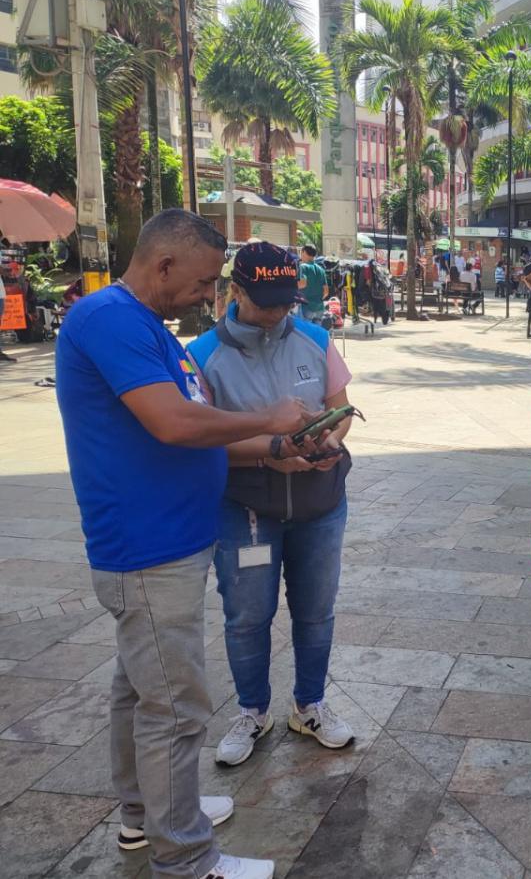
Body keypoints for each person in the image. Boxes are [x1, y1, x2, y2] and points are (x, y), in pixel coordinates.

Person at [55, 210, 309, 879]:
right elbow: (173, 423)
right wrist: (270, 417)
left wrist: (277, 447)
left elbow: (199, 431)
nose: (208, 296)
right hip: (147, 548)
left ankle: (148, 817)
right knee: (175, 708)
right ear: (162, 266)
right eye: (200, 283)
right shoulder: (107, 318)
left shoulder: (149, 330)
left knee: (140, 693)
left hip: (169, 543)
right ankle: (188, 859)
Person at [187, 242, 356, 769]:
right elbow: (199, 436)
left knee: (316, 611)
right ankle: (252, 710)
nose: (281, 312)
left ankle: (309, 705)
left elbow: (340, 408)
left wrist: (326, 438)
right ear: (235, 291)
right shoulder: (201, 356)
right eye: (268, 302)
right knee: (246, 615)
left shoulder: (315, 338)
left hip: (320, 502)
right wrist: (271, 451)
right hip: (245, 508)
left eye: (288, 301)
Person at [298, 245, 327, 322]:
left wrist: (290, 286)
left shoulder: (303, 267)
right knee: (316, 332)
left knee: (305, 333)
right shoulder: (321, 269)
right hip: (320, 308)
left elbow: (302, 284)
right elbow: (326, 292)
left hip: (307, 307)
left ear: (304, 252)